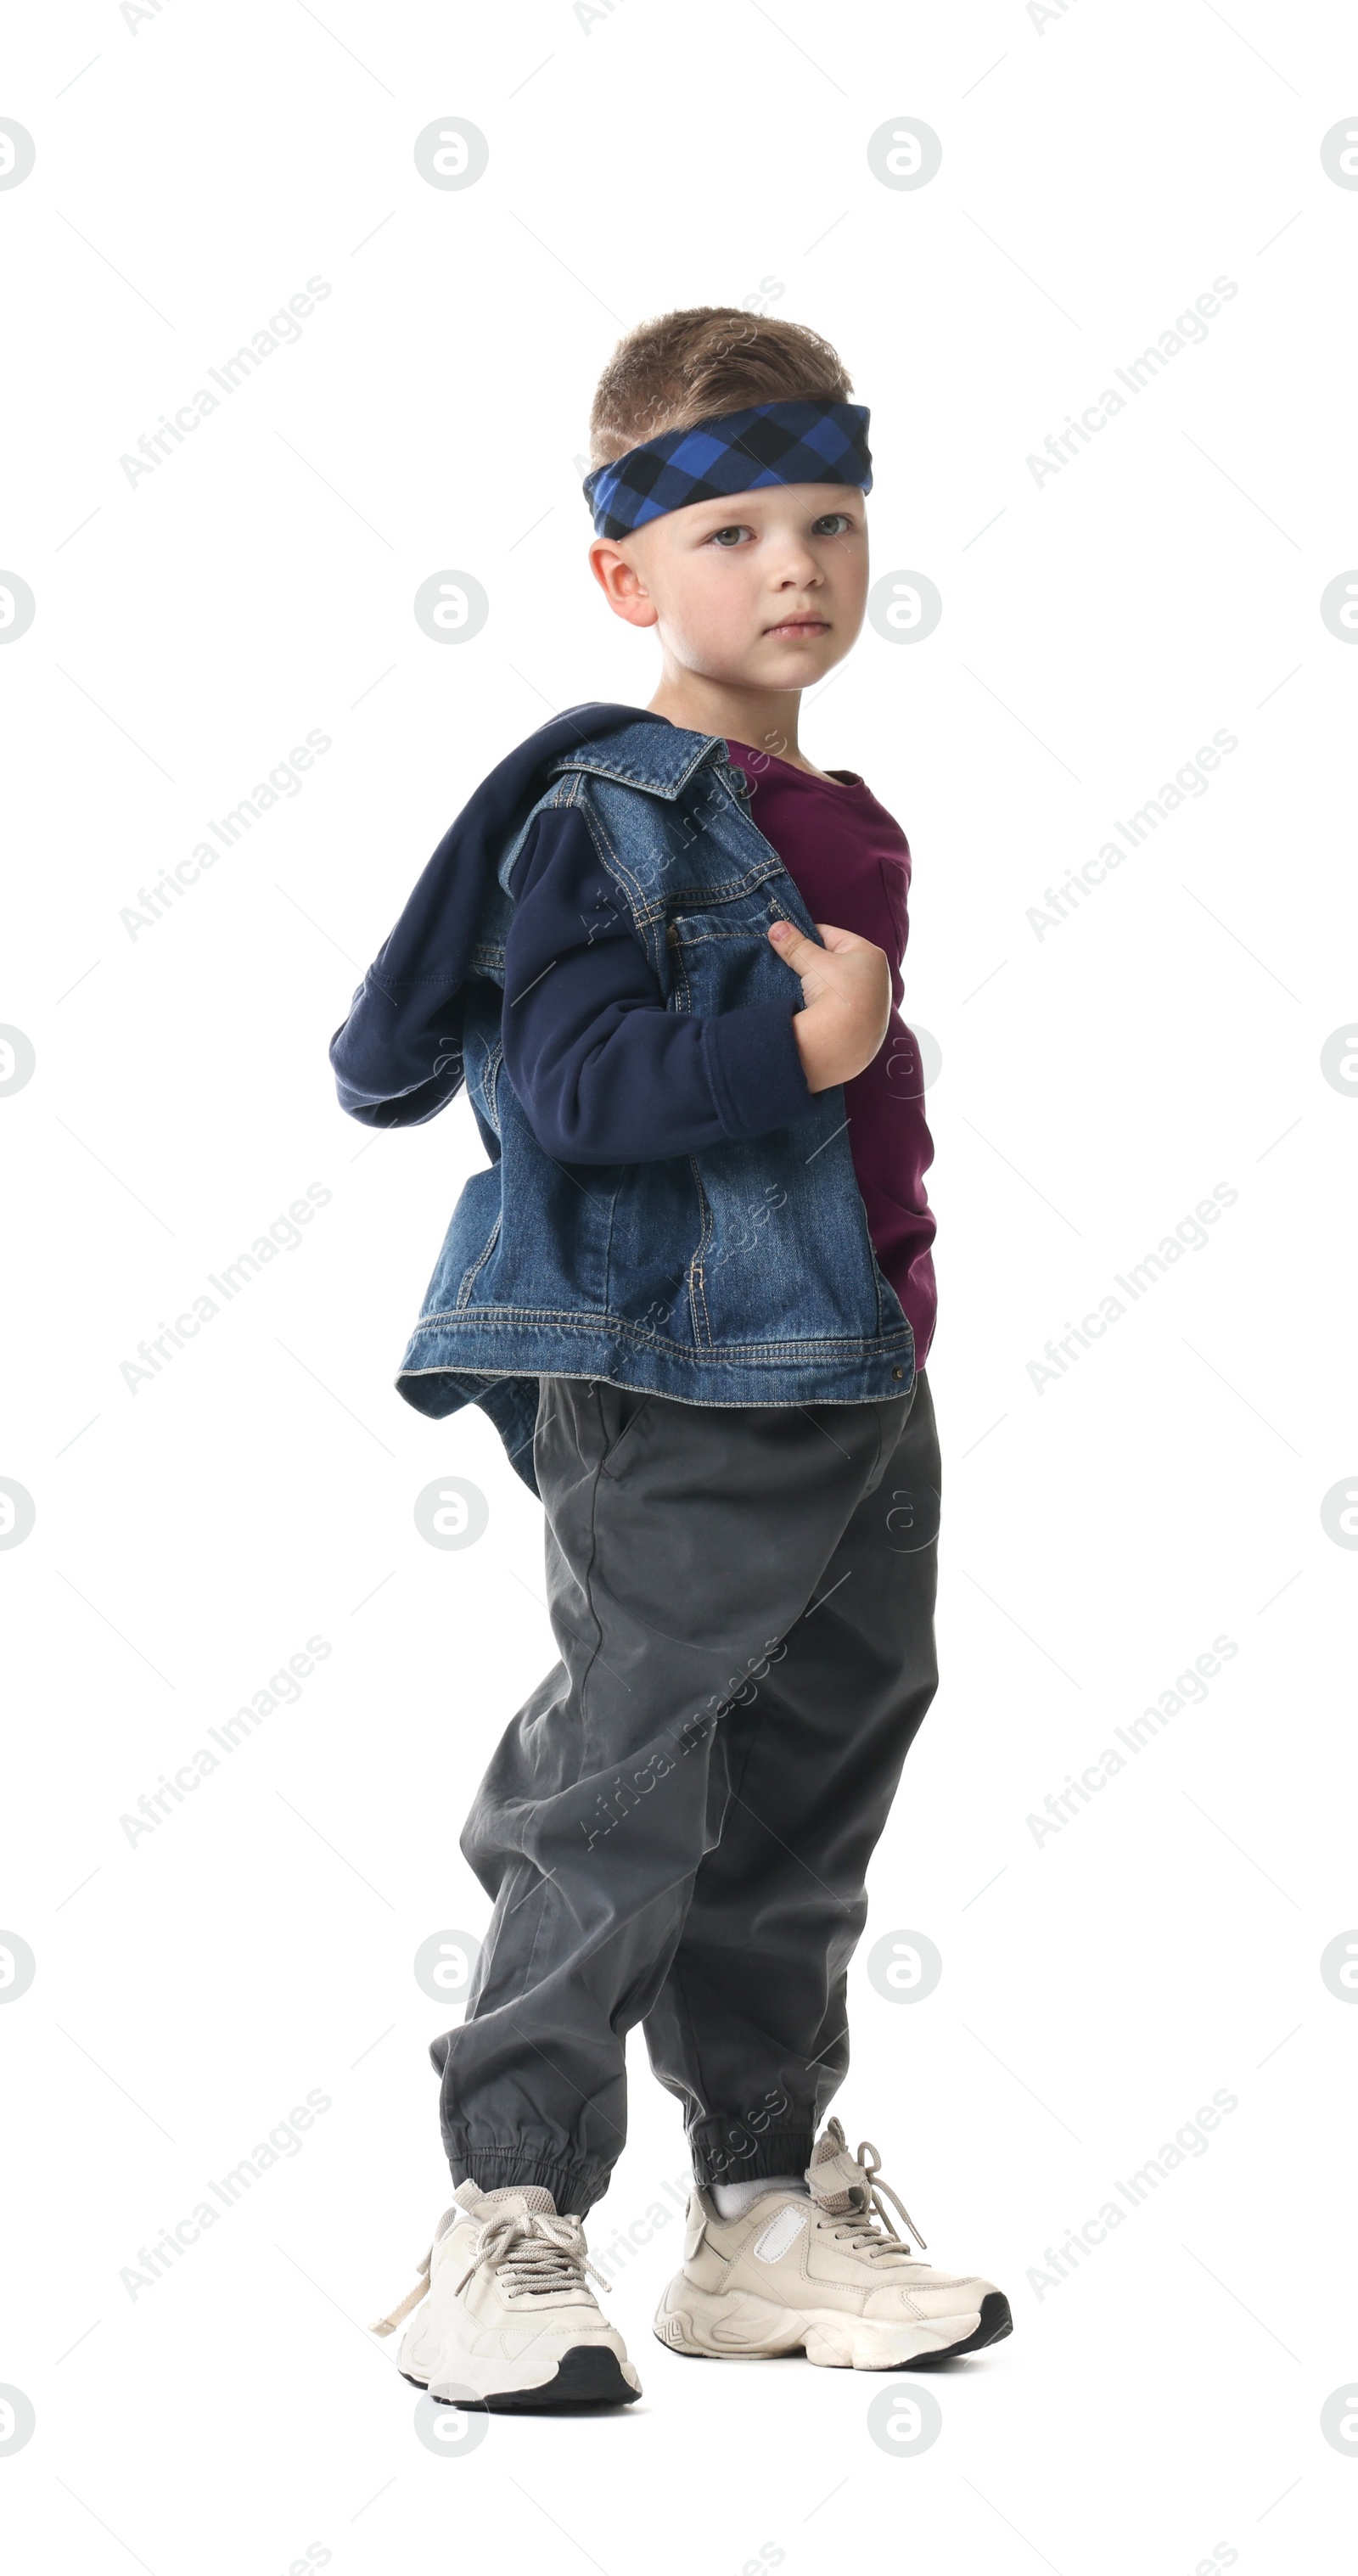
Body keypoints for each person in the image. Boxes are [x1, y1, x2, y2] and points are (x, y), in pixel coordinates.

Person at [333, 306, 1011, 2411]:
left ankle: (757, 2212)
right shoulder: (617, 814)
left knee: (813, 1779)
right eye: (730, 533)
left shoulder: (824, 802)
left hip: (856, 1377)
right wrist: (791, 1046)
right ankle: (506, 2218)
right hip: (681, 1383)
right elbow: (565, 1087)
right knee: (624, 1781)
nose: (791, 566)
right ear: (627, 577)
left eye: (827, 518)